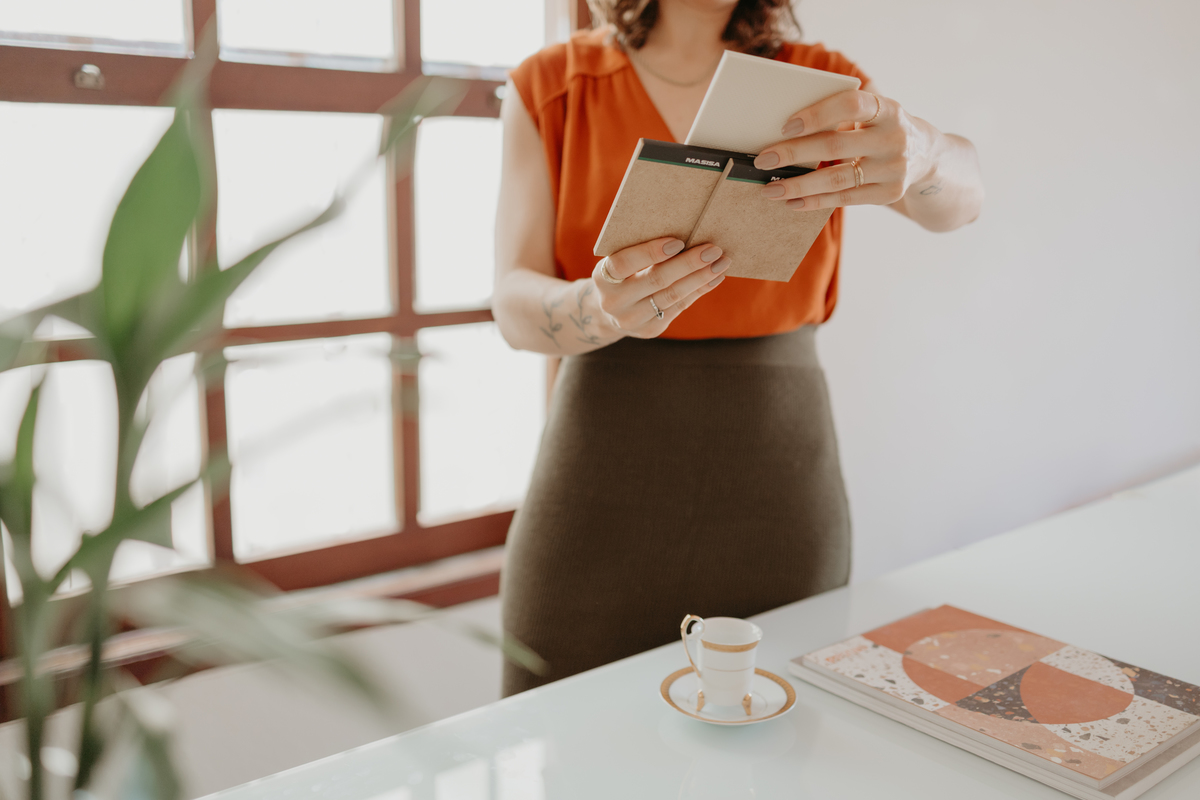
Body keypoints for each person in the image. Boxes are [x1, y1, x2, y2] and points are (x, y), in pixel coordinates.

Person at [492, 0, 984, 696]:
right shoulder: (551, 83)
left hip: (778, 471)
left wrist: (925, 152)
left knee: (779, 733)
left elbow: (962, 202)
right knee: (558, 734)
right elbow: (511, 302)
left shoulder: (825, 87)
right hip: (595, 466)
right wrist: (598, 309)